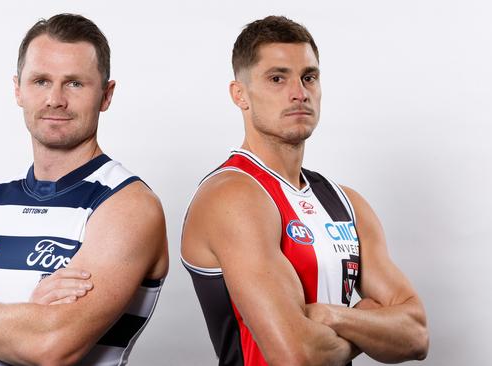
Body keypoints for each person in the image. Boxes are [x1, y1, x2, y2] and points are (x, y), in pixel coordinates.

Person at [0, 13, 169, 366]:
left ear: (106, 95)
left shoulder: (126, 205)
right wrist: (29, 313)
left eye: (74, 83)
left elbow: (51, 346)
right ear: (18, 90)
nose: (55, 99)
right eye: (41, 81)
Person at [181, 16, 429, 366]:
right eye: (277, 78)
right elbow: (295, 355)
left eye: (308, 77)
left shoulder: (345, 202)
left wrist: (332, 317)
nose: (299, 92)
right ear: (240, 95)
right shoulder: (232, 196)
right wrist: (368, 320)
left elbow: (416, 335)